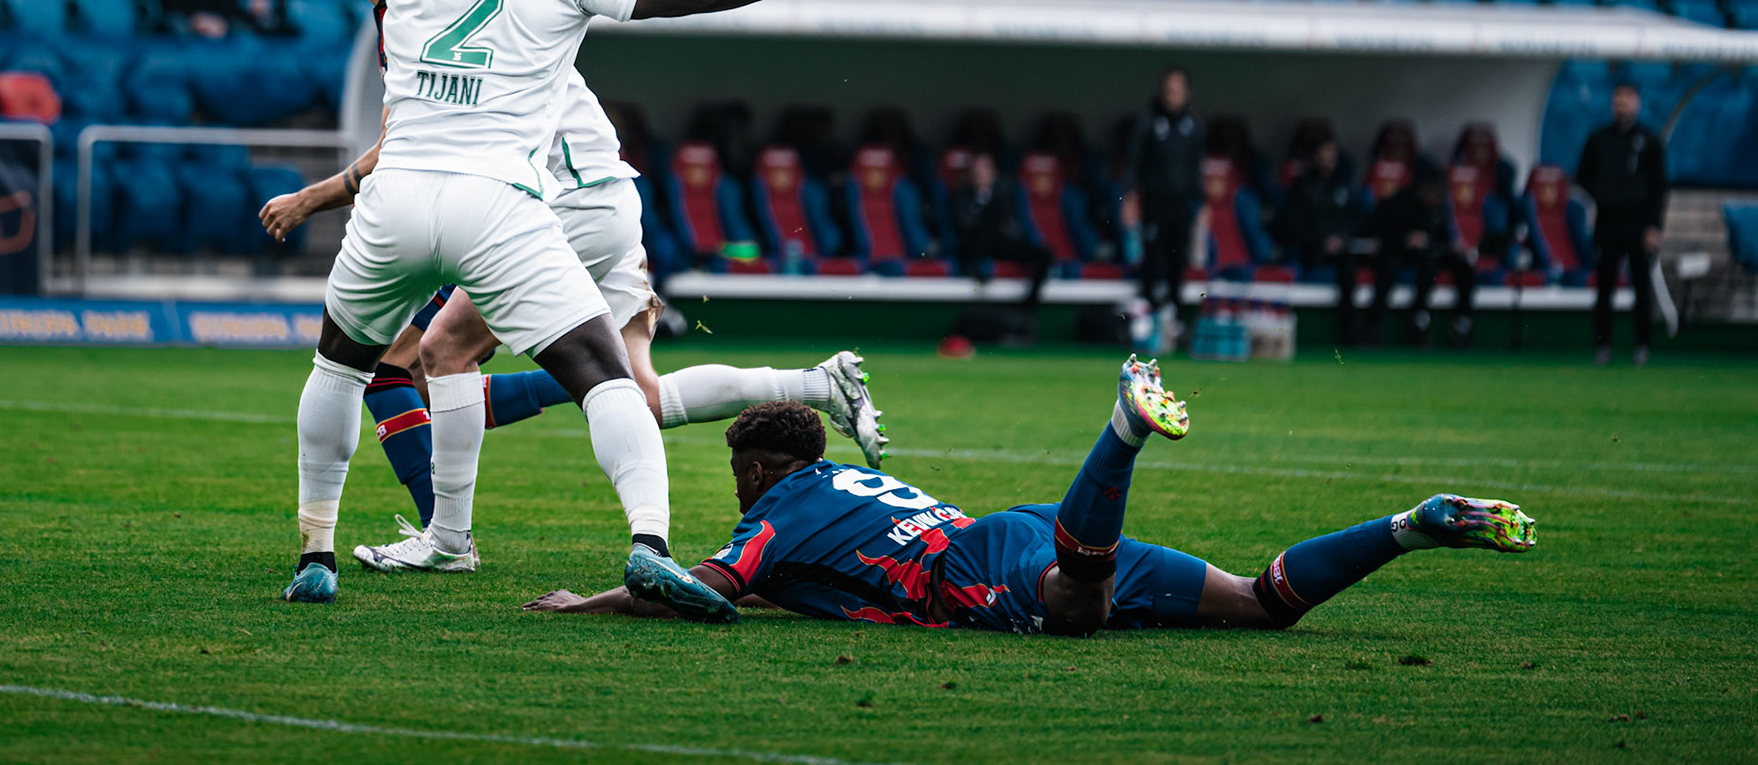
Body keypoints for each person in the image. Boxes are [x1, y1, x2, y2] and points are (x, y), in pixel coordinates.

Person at [90, 0, 920, 617]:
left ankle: (317, 552)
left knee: (342, 366)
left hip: (398, 198)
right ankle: (649, 545)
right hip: (501, 208)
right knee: (606, 379)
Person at [526, 364, 1535, 632]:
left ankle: (1121, 432)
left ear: (754, 471)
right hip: (1005, 527)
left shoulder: (776, 516)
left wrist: (589, 602)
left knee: (1073, 608)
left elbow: (693, 588)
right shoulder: (836, 484)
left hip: (975, 569)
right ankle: (1410, 525)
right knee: (1260, 601)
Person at [1575, 83, 1667, 367]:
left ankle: (1642, 346)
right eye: (1618, 99)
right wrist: (1605, 196)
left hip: (1639, 226)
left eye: (1628, 99)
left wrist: (1654, 226)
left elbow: (1659, 186)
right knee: (1605, 289)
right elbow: (1583, 177)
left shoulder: (1649, 141)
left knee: (1641, 288)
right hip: (1608, 224)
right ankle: (1603, 346)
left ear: (1637, 103)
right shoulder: (1598, 139)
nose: (1622, 104)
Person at [1124, 68, 1204, 338]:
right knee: (1151, 260)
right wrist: (1130, 197)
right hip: (1154, 202)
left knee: (1177, 262)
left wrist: (1202, 204)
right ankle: (1146, 320)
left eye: (1176, 90)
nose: (1171, 96)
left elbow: (1197, 168)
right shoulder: (1148, 122)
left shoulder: (1193, 125)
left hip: (1182, 205)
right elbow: (1134, 162)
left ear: (1186, 93)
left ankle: (1176, 320)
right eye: (1168, 90)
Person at [1365, 167, 1475, 349]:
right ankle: (1375, 328)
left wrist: (1454, 245)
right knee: (1391, 268)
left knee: (1464, 267)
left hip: (1429, 254)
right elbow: (1377, 231)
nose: (1437, 199)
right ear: (1423, 189)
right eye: (1434, 194)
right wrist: (1405, 238)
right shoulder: (1397, 202)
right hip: (1398, 252)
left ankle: (1462, 323)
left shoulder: (1440, 208)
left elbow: (1444, 236)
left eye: (1440, 195)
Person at [1276, 138, 1361, 342]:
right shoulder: (1301, 187)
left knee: (1350, 266)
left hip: (1339, 249)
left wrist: (1341, 239)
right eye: (1326, 152)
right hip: (1309, 248)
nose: (1331, 157)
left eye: (1333, 152)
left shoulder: (1340, 186)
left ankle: (1350, 334)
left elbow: (1353, 220)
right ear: (1315, 156)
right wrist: (1321, 241)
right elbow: (1293, 225)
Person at [950, 151, 1051, 311]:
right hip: (976, 246)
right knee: (991, 215)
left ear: (993, 172)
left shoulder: (1005, 193)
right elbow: (964, 226)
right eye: (976, 169)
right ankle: (975, 270)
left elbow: (1015, 222)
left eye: (984, 168)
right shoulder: (961, 196)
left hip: (1001, 243)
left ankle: (1029, 304)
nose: (979, 173)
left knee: (1045, 255)